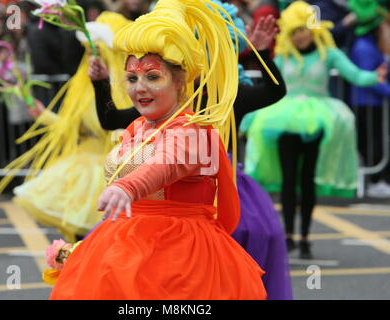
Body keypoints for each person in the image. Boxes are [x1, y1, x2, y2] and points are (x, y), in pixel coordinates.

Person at [50, 0, 267, 299]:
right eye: (132, 78)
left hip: (181, 257)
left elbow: (168, 162)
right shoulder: (136, 128)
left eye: (152, 77)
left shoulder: (193, 129)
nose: (140, 87)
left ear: (179, 81)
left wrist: (128, 187)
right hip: (129, 250)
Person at [240, 1, 387, 259]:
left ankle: (305, 237)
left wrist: (375, 76)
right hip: (282, 120)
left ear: (313, 29)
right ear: (288, 32)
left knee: (307, 179)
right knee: (288, 180)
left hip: (319, 119)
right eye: (295, 31)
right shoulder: (283, 55)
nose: (300, 36)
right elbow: (270, 87)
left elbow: (354, 75)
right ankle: (288, 237)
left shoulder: (328, 53)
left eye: (304, 30)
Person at [0, 12, 133, 242]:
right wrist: (43, 115)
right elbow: (72, 127)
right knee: (79, 240)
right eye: (87, 51)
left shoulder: (125, 88)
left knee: (104, 240)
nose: (91, 57)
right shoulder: (84, 84)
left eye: (96, 50)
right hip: (79, 169)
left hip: (107, 171)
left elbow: (109, 126)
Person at [348, 0, 390, 198]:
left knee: (374, 142)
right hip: (365, 103)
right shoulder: (364, 47)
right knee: (372, 144)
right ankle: (374, 182)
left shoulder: (369, 45)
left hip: (370, 102)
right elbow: (370, 79)